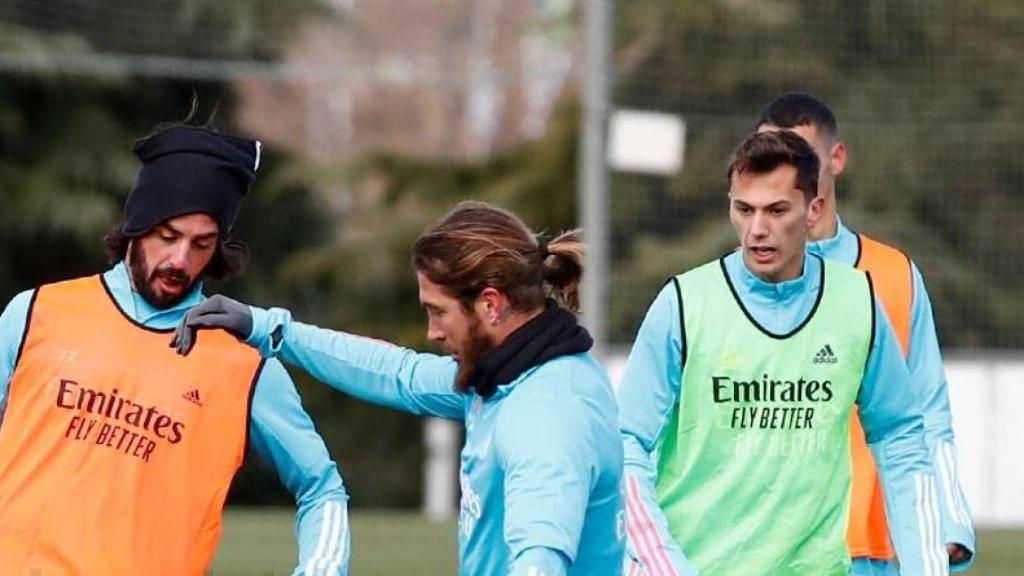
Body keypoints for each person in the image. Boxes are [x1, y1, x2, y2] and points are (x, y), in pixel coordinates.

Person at [172, 200, 625, 576]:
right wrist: (267, 328)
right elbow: (399, 374)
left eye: (438, 312)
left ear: (490, 304)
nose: (432, 331)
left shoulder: (544, 417)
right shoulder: (513, 376)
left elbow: (539, 562)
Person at [0, 124, 350, 576]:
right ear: (136, 226)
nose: (180, 260)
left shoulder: (244, 363)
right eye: (168, 236)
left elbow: (322, 488)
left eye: (201, 244)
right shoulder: (35, 312)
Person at [618, 130, 948, 576]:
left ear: (813, 210)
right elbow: (625, 443)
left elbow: (901, 437)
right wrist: (665, 565)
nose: (757, 229)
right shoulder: (682, 304)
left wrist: (927, 568)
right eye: (744, 209)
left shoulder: (858, 303)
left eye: (776, 210)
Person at [755, 92, 975, 574]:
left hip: (873, 550)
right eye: (773, 159)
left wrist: (949, 522)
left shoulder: (894, 274)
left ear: (836, 159)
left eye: (802, 158)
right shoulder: (734, 287)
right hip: (767, 548)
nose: (788, 175)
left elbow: (927, 411)